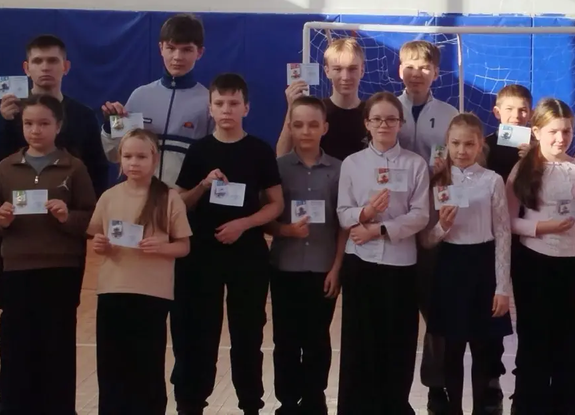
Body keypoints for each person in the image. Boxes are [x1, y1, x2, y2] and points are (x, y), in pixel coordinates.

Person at [0, 34, 107, 414]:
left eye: (52, 60)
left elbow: (96, 181)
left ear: (65, 66)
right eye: (38, 61)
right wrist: (4, 122)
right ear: (26, 68)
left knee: (57, 334)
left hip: (62, 251)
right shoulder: (9, 116)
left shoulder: (82, 117)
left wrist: (72, 216)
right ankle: (11, 404)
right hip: (17, 250)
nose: (45, 67)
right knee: (15, 333)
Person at [171, 73, 284, 415]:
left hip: (247, 254)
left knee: (247, 334)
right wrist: (203, 186)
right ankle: (191, 403)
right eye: (219, 103)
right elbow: (180, 202)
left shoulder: (259, 150)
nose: (226, 109)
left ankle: (250, 404)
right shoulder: (199, 150)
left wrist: (243, 224)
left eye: (233, 103)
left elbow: (275, 204)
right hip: (201, 255)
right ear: (210, 108)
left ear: (246, 108)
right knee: (198, 332)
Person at [505, 98, 575, 414]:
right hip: (535, 268)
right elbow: (507, 221)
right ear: (536, 131)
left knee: (573, 351)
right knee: (535, 348)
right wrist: (541, 227)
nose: (561, 138)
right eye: (553, 132)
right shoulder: (523, 169)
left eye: (566, 131)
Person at [336, 92, 431, 415]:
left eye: (391, 119)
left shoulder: (415, 164)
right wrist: (365, 213)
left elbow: (420, 215)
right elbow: (343, 213)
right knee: (359, 345)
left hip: (400, 266)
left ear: (400, 123)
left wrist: (379, 229)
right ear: (367, 123)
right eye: (377, 119)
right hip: (360, 263)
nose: (384, 125)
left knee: (397, 345)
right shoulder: (353, 163)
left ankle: (394, 406)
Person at [89, 128, 193, 414]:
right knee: (111, 366)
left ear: (154, 159)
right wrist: (100, 245)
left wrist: (162, 247)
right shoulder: (109, 197)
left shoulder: (169, 198)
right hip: (112, 290)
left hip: (152, 293)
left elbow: (184, 246)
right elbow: (97, 237)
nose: (134, 162)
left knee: (147, 366)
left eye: (141, 157)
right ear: (119, 159)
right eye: (127, 156)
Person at [421, 113, 512, 414]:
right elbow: (427, 239)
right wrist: (442, 227)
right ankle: (454, 409)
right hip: (450, 266)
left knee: (483, 348)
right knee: (452, 349)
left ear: (480, 144)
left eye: (469, 144)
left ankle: (479, 408)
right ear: (446, 143)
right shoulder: (438, 181)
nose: (461, 150)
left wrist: (502, 287)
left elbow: (503, 233)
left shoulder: (492, 180)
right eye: (455, 143)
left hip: (483, 266)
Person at [267, 96, 348, 415]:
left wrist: (337, 268)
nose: (306, 131)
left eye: (313, 125)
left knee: (317, 339)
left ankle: (315, 398)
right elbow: (265, 218)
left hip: (323, 269)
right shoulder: (277, 169)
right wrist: (285, 230)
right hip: (284, 267)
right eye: (298, 124)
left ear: (324, 127)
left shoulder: (339, 170)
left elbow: (343, 224)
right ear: (290, 126)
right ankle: (287, 402)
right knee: (285, 339)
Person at [392, 39, 460, 412]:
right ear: (398, 69)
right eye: (409, 66)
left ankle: (436, 386)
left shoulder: (450, 114)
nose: (416, 73)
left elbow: (463, 164)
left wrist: (446, 170)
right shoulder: (386, 109)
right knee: (398, 315)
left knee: (436, 311)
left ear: (436, 72)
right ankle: (392, 389)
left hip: (435, 227)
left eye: (424, 67)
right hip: (394, 225)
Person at [102, 14, 212, 187]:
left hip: (186, 200)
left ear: (199, 52)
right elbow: (115, 154)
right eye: (171, 48)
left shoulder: (208, 103)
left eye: (186, 50)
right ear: (161, 48)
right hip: (140, 197)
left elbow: (215, 161)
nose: (177, 56)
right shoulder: (140, 96)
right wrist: (111, 126)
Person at [277, 37, 369, 160]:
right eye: (338, 69)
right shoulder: (316, 111)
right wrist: (292, 108)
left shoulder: (372, 113)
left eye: (352, 69)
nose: (345, 77)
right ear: (327, 71)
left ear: (362, 70)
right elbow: (282, 156)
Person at [481, 84, 533, 181]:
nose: (516, 115)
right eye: (509, 109)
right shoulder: (485, 145)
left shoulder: (537, 147)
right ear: (497, 112)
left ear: (531, 114)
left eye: (522, 110)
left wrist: (533, 159)